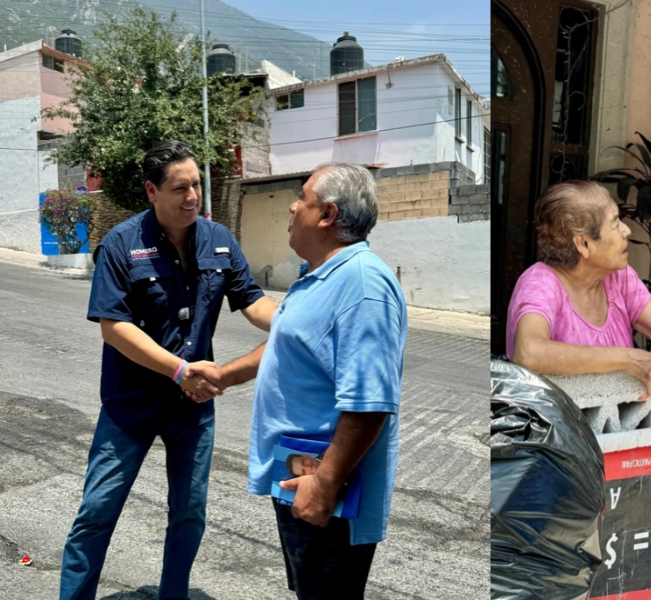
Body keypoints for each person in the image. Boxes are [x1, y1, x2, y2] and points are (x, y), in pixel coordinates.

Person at [60, 141, 278, 600]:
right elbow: (114, 327)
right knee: (97, 512)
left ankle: (173, 595)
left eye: (196, 184)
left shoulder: (219, 239)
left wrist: (297, 323)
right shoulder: (122, 244)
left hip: (191, 410)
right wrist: (181, 371)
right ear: (151, 191)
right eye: (180, 188)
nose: (193, 196)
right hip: (130, 406)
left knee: (189, 512)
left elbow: (254, 302)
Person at [228, 163, 406, 599]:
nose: (291, 205)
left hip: (330, 485)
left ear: (327, 215)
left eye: (302, 198)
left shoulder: (362, 286)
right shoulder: (320, 275)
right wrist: (222, 375)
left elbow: (370, 403)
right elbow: (291, 346)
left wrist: (324, 483)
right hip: (299, 474)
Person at [507, 180, 651, 401]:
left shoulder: (619, 277)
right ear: (584, 244)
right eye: (615, 223)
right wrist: (626, 359)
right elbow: (529, 351)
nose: (627, 230)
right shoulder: (540, 282)